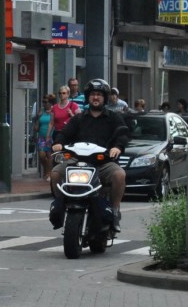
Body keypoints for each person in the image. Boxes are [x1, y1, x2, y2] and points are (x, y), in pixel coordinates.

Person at [50, 78, 130, 229]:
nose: (96, 97)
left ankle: (115, 211)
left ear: (105, 97)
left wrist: (118, 147)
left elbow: (123, 135)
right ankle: (59, 207)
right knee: (55, 173)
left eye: (99, 94)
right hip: (76, 162)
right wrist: (58, 143)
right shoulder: (79, 118)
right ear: (88, 97)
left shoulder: (114, 118)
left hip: (103, 163)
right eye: (93, 94)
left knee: (119, 175)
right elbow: (64, 133)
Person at [35, 94, 56, 179]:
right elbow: (36, 128)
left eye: (46, 102)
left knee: (49, 155)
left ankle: (49, 173)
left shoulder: (53, 111)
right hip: (42, 137)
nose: (44, 104)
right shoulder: (41, 111)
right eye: (43, 102)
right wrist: (38, 117)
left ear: (51, 103)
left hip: (51, 136)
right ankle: (46, 169)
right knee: (41, 155)